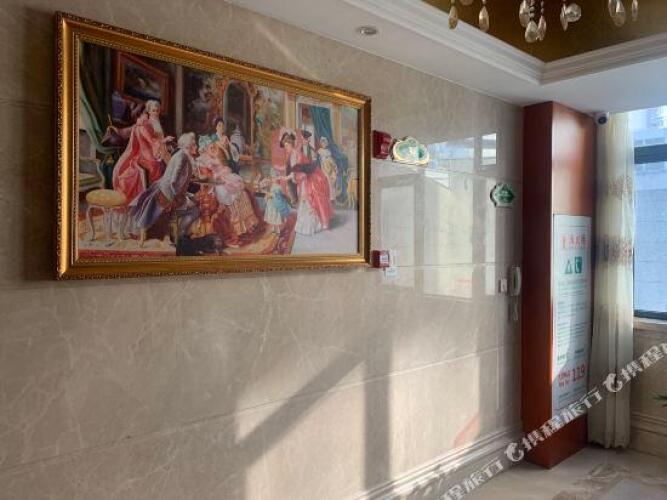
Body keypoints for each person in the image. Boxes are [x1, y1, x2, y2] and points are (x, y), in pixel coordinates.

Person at [129, 132, 197, 243]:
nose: (196, 147)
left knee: (195, 199)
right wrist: (179, 197)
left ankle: (180, 233)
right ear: (188, 146)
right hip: (168, 195)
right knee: (195, 208)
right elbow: (174, 181)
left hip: (164, 189)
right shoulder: (182, 157)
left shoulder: (181, 155)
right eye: (194, 144)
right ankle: (181, 235)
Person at [111, 100, 174, 204]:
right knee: (155, 166)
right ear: (148, 111)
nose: (156, 113)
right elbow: (151, 141)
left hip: (159, 150)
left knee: (172, 163)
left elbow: (159, 138)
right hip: (147, 153)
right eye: (153, 111)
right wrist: (164, 141)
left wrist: (166, 145)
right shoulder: (144, 124)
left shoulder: (158, 122)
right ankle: (150, 197)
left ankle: (164, 196)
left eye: (157, 110)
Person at [280, 131, 332, 235]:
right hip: (301, 181)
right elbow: (294, 172)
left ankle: (311, 225)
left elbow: (302, 171)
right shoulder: (292, 155)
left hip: (307, 181)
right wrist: (286, 177)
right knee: (303, 202)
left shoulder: (297, 154)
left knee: (308, 201)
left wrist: (288, 177)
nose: (286, 148)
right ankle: (304, 224)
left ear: (290, 144)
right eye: (285, 146)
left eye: (286, 145)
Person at [317, 137, 339, 202]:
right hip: (323, 168)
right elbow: (319, 162)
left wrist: (334, 168)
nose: (323, 144)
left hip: (329, 167)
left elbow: (331, 161)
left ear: (326, 144)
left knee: (333, 178)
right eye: (322, 143)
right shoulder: (319, 151)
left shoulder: (328, 151)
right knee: (327, 179)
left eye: (324, 143)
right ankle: (326, 196)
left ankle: (332, 196)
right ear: (321, 144)